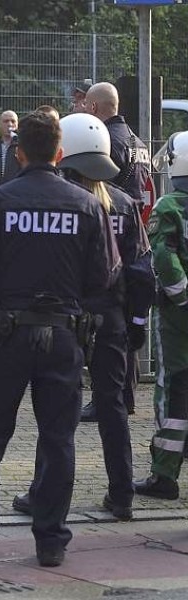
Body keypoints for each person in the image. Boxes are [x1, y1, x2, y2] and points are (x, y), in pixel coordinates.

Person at [0, 111, 118, 568]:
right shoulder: (87, 205)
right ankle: (50, 542)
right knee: (59, 439)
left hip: (7, 335)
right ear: (60, 154)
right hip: (63, 337)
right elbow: (102, 279)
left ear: (19, 152)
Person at [11, 113, 155, 522]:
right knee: (112, 408)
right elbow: (141, 272)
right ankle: (122, 494)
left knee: (57, 412)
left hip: (66, 321)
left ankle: (44, 494)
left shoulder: (60, 204)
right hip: (112, 321)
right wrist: (138, 323)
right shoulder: (124, 205)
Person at [84, 81, 153, 417]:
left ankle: (108, 397)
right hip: (135, 232)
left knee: (109, 328)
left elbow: (102, 189)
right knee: (127, 323)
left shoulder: (107, 141)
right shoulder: (138, 141)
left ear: (95, 108)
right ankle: (126, 394)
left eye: (85, 106)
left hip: (112, 234)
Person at [132, 131, 188, 500]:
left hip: (176, 320)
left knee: (173, 393)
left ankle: (165, 475)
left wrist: (182, 297)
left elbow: (164, 259)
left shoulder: (170, 206)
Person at [0, 110, 20, 186]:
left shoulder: (21, 147)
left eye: (13, 121)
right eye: (6, 121)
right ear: (0, 124)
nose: (9, 124)